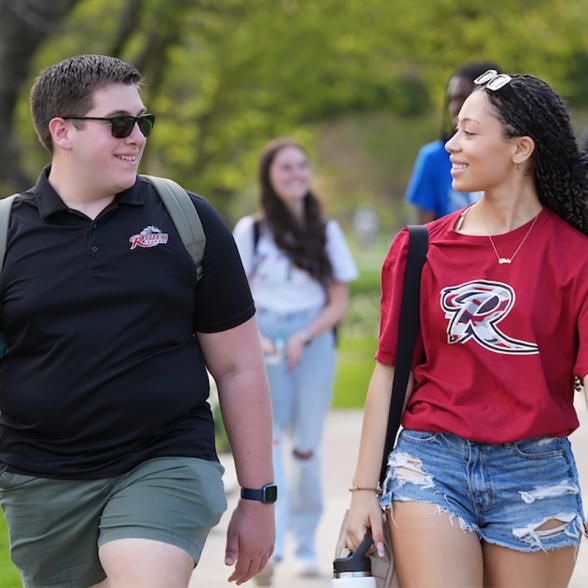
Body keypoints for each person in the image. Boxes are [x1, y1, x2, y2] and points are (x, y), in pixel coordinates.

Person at [0, 54, 275, 588]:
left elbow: (239, 367)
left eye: (143, 122)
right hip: (41, 478)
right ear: (63, 131)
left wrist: (259, 496)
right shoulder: (8, 234)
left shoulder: (184, 217)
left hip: (165, 457)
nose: (137, 137)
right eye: (120, 124)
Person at [346, 69, 588, 587]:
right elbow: (390, 374)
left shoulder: (576, 256)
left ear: (521, 149)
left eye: (470, 133)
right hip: (431, 461)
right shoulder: (418, 248)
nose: (452, 145)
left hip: (536, 471)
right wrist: (363, 492)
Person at [233, 138, 358, 583]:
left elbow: (338, 300)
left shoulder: (326, 231)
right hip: (264, 338)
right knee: (267, 446)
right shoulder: (252, 231)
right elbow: (235, 296)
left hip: (312, 339)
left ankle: (305, 545)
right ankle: (274, 546)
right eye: (286, 168)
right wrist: (261, 340)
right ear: (269, 176)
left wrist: (303, 337)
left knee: (306, 447)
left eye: (301, 167)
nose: (295, 175)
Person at [405, 61, 501, 223]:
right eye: (451, 99)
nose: (455, 107)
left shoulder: (508, 154)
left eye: (463, 98)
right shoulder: (434, 157)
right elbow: (425, 230)